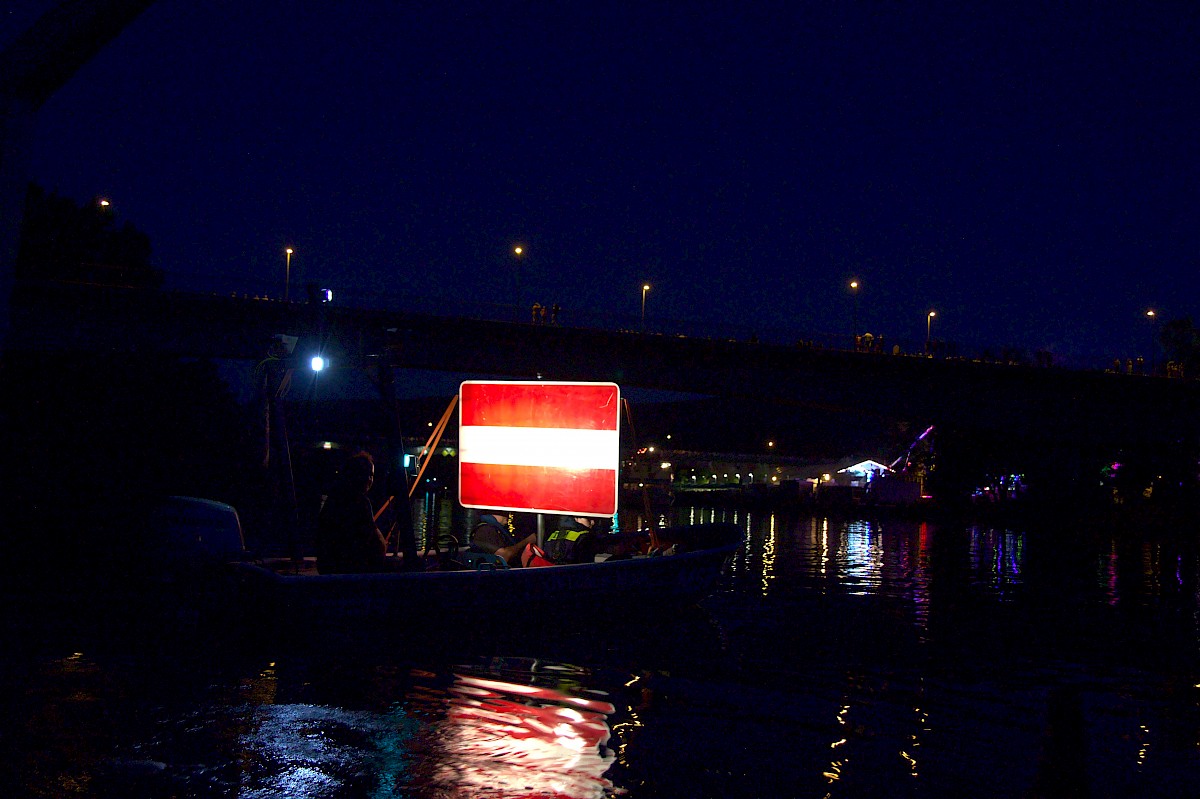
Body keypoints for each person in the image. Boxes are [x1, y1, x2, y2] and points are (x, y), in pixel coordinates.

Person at [316, 451, 391, 574]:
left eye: (371, 475)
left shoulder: (333, 497)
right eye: (364, 474)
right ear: (353, 474)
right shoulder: (360, 501)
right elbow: (375, 541)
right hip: (348, 567)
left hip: (327, 567)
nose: (369, 479)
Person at [470, 510, 536, 566]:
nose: (508, 515)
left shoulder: (498, 529)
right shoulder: (486, 530)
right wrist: (527, 541)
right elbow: (503, 556)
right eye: (504, 512)